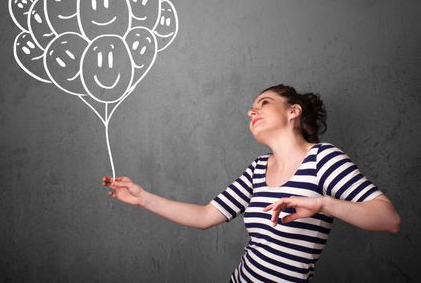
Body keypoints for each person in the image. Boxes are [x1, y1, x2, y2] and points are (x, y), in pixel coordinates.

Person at [102, 84, 400, 282]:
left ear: (293, 111)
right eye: (251, 108)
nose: (251, 111)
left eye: (264, 103)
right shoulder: (258, 168)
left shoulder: (323, 158)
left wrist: (324, 203)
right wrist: (143, 198)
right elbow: (206, 216)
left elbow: (388, 219)